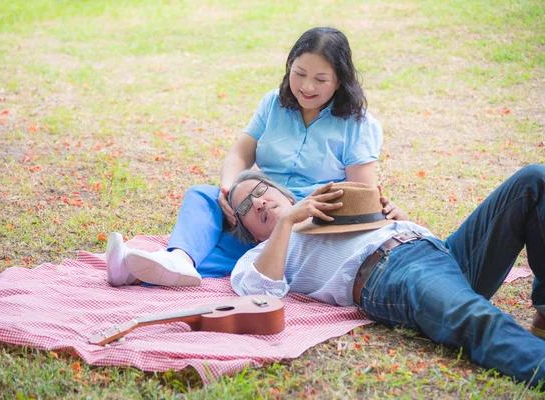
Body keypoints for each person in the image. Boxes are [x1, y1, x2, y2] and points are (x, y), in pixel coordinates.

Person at [106, 26, 404, 288]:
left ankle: (141, 270)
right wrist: (228, 188)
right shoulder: (273, 104)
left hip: (305, 214)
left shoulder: (358, 125)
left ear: (340, 81)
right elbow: (240, 152)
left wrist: (301, 212)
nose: (307, 87)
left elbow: (360, 194)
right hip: (259, 198)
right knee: (204, 196)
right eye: (299, 74)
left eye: (320, 79)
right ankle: (179, 259)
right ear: (289, 67)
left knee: (243, 235)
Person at [228, 166, 545, 387]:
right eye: (244, 206)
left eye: (260, 190)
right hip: (390, 273)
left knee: (533, 181)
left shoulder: (327, 211)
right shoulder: (256, 257)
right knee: (475, 318)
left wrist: (405, 224)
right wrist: (286, 224)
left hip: (443, 253)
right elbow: (260, 295)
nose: (257, 202)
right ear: (248, 232)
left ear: (285, 195)